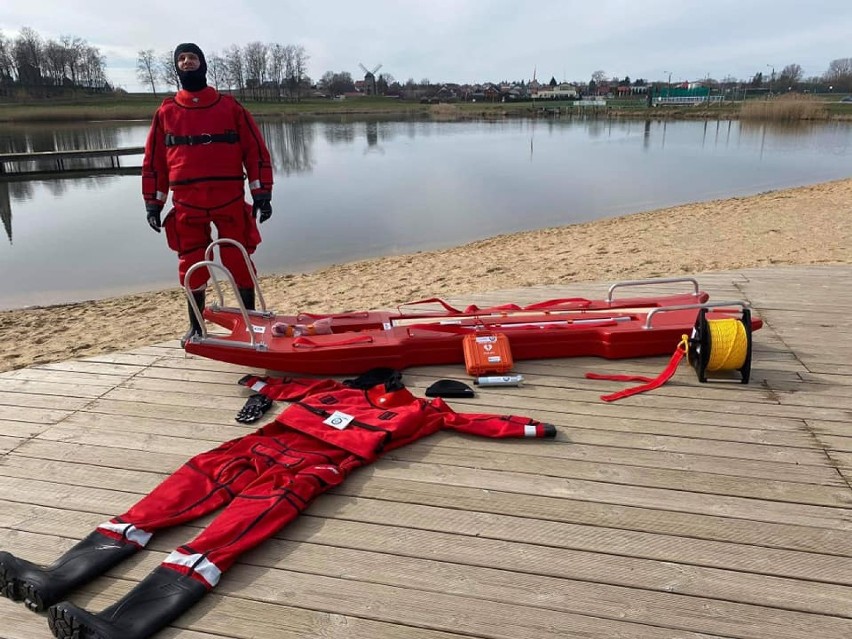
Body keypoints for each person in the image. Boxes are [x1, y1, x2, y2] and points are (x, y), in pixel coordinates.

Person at [0, 369, 557, 639]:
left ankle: (122, 627)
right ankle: (51, 580)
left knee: (213, 545)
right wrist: (255, 383)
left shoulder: (423, 410)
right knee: (153, 510)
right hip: (250, 447)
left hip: (304, 472)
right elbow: (277, 383)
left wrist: (532, 427)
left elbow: (477, 419)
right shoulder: (330, 388)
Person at [142, 42, 274, 343]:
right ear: (177, 67)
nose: (187, 61)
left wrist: (262, 193)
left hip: (228, 199)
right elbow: (154, 162)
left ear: (203, 64)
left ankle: (250, 322)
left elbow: (255, 152)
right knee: (190, 264)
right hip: (187, 204)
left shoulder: (230, 107)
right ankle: (197, 326)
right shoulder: (166, 112)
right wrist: (153, 203)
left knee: (238, 260)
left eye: (192, 57)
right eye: (181, 58)